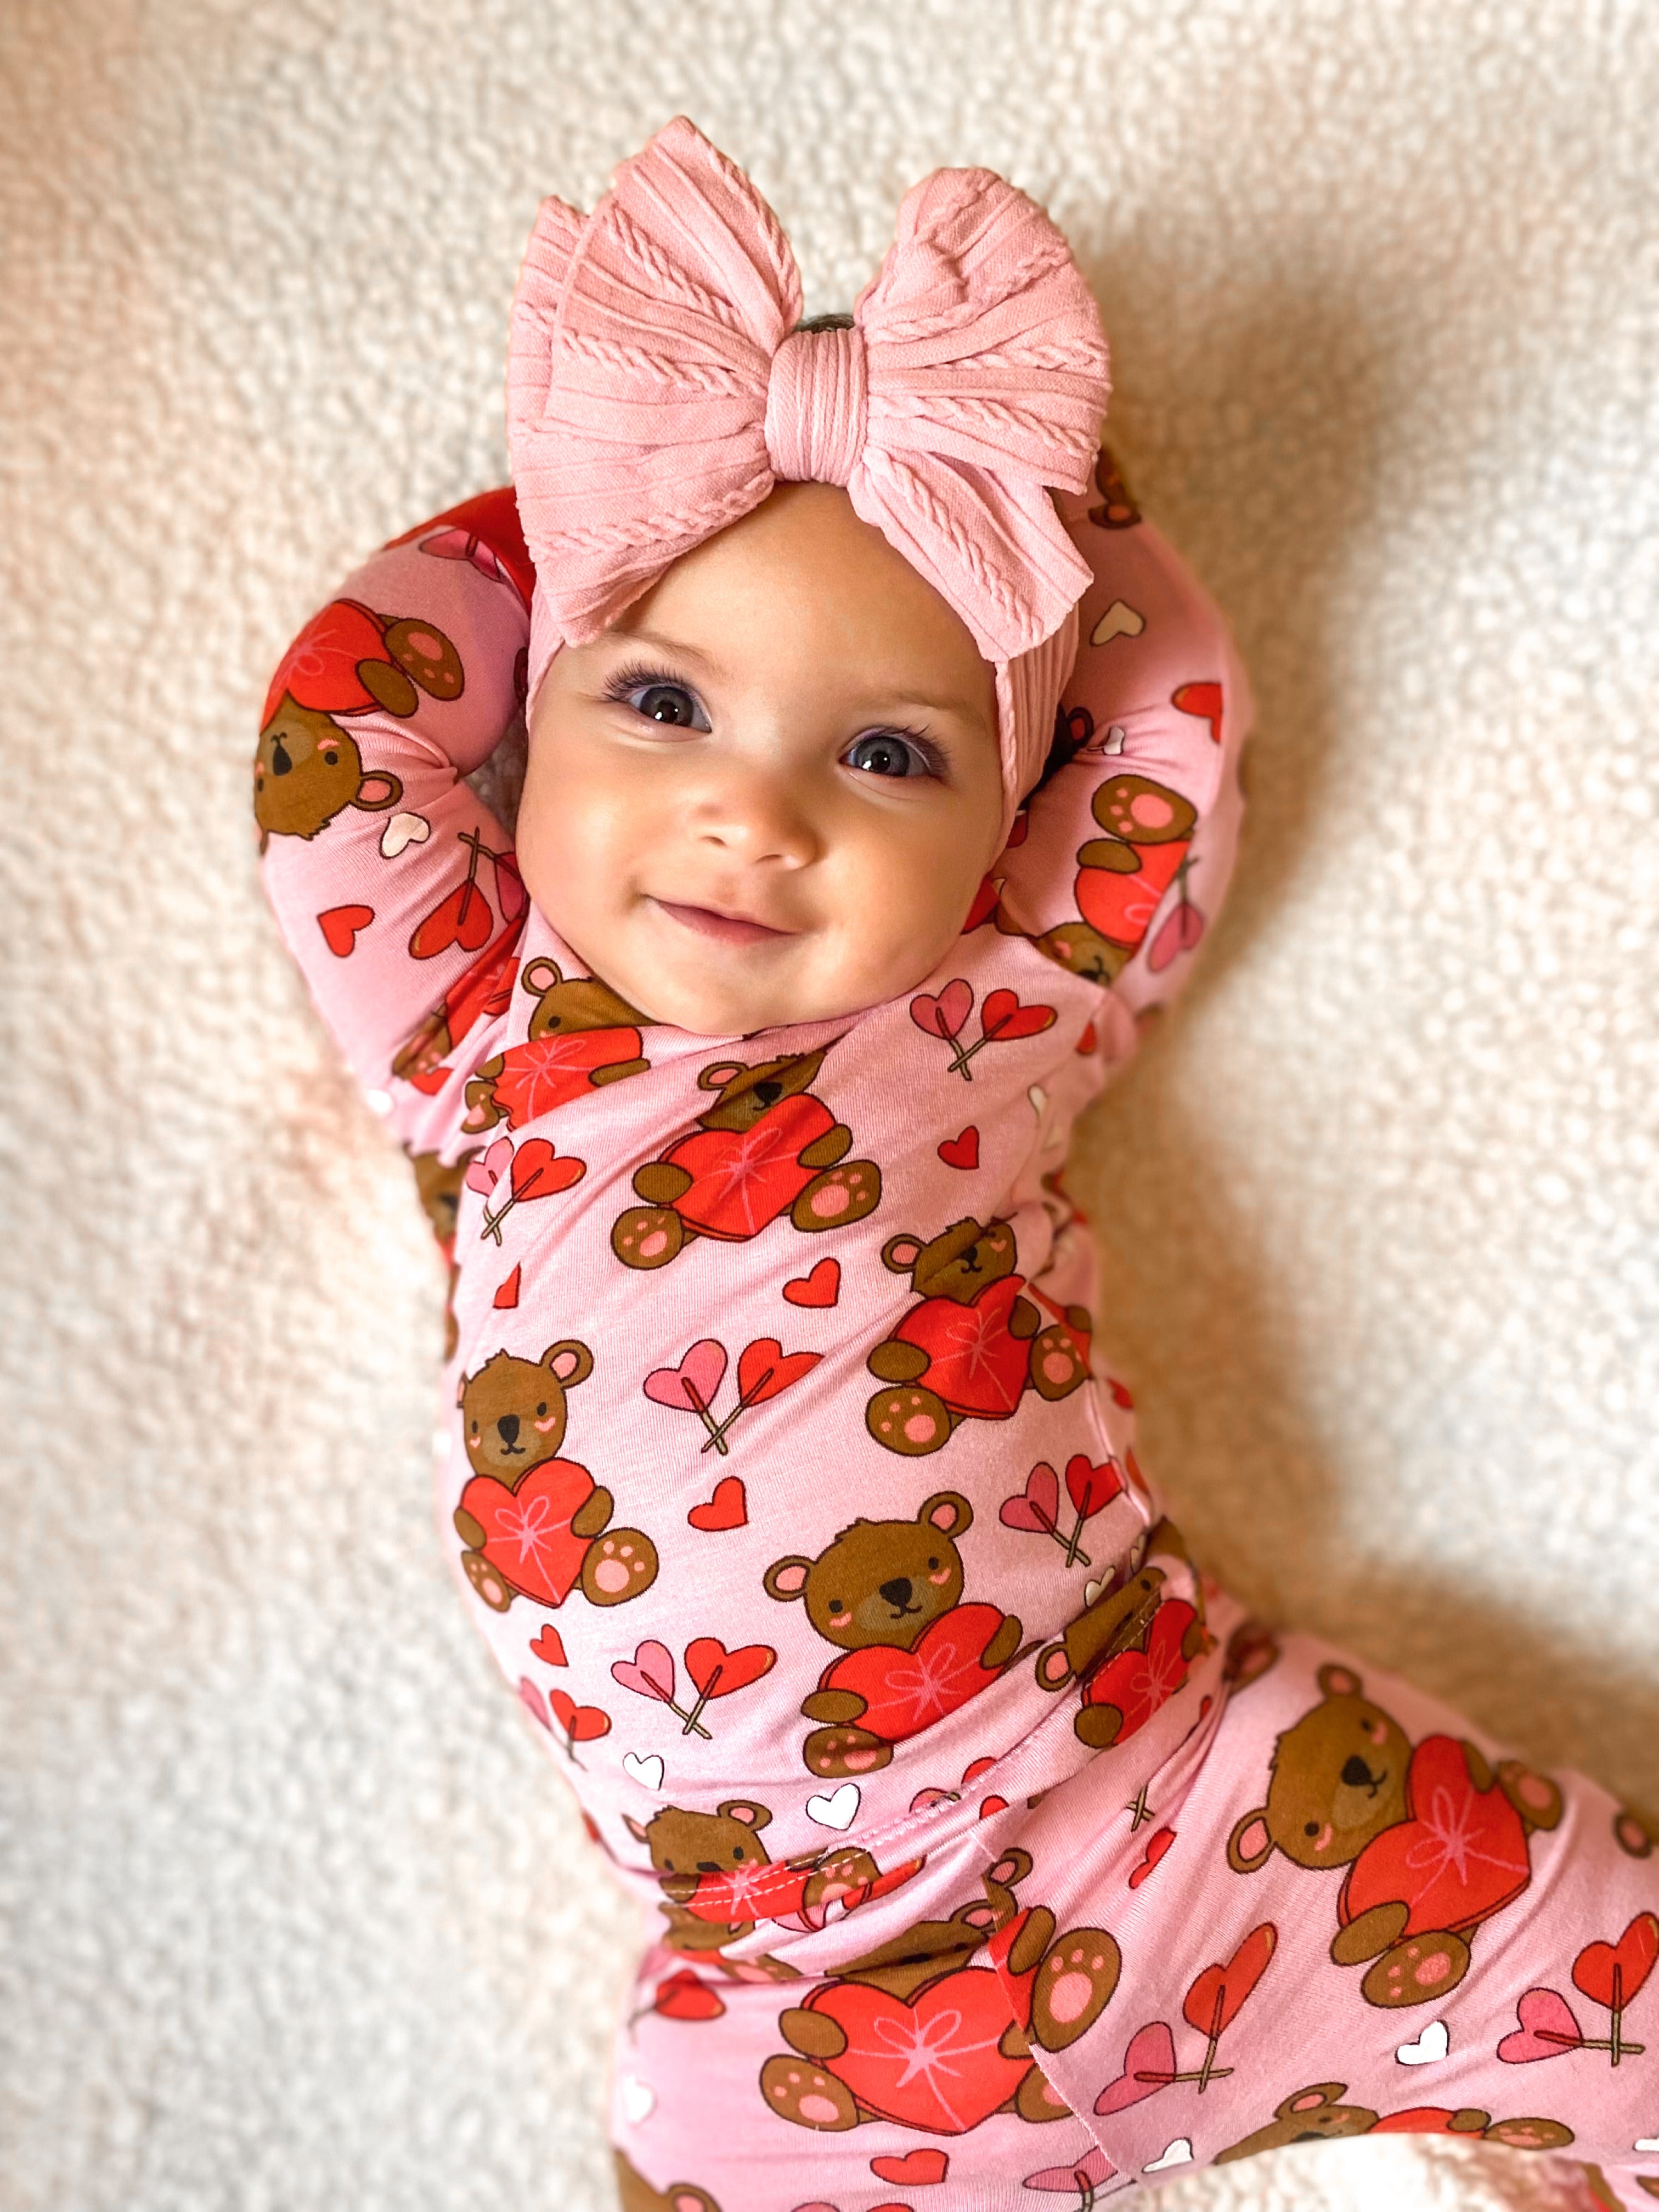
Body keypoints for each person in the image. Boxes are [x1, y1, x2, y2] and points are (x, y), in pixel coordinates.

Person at [253, 116, 1659, 2212]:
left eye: (888, 753)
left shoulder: (1001, 1003)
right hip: (798, 1985)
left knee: (1598, 1961)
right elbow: (344, 718)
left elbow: (1164, 714)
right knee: (681, 2153)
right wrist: (628, 491)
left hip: (1183, 1803)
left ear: (1004, 822)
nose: (755, 814)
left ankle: (1519, 2089)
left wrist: (1027, 498)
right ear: (542, 713)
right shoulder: (472, 1028)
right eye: (660, 703)